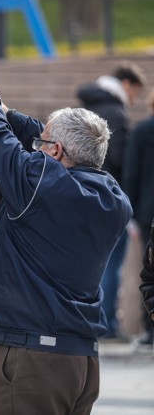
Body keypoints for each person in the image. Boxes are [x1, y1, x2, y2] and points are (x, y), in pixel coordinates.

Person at [0, 66, 132, 415]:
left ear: (57, 151)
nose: (34, 148)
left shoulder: (43, 187)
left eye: (43, 144)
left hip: (32, 360)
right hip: (78, 359)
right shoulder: (110, 198)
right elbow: (40, 141)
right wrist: (6, 112)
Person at [76, 62, 146, 339]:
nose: (134, 100)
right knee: (109, 263)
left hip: (81, 195)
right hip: (105, 198)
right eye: (136, 93)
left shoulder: (87, 106)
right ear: (127, 85)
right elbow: (117, 158)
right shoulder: (115, 112)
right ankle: (104, 324)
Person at [123, 88, 154, 347]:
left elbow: (132, 173)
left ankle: (150, 330)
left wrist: (130, 213)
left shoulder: (142, 130)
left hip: (148, 212)